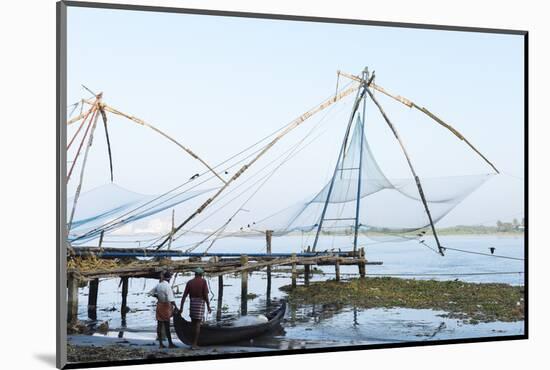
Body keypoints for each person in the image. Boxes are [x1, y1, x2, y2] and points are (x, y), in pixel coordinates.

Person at [180, 267, 211, 349]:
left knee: (193, 323)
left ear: (195, 274)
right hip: (200, 303)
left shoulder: (190, 282)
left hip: (192, 303)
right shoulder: (203, 281)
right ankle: (194, 344)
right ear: (201, 274)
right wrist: (208, 306)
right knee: (197, 324)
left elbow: (184, 296)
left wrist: (181, 308)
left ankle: (192, 342)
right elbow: (206, 296)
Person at [149, 270, 179, 348]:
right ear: (169, 278)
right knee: (167, 326)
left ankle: (161, 344)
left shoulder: (159, 285)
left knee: (159, 325)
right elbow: (171, 299)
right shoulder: (167, 286)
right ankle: (170, 343)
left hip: (159, 305)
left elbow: (151, 293)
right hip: (166, 306)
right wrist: (176, 307)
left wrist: (157, 296)